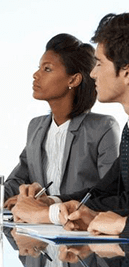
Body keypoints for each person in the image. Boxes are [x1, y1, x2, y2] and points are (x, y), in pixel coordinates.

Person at [12, 13, 129, 231]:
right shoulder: (128, 131)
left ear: (126, 71)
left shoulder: (105, 128)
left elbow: (121, 204)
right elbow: (109, 193)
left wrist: (48, 214)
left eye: (100, 64)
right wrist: (53, 203)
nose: (92, 74)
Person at [3, 34, 119, 203]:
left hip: (82, 226)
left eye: (47, 69)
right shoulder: (36, 126)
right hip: (38, 227)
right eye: (39, 68)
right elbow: (16, 182)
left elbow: (110, 193)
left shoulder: (103, 128)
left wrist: (51, 203)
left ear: (73, 79)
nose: (36, 74)